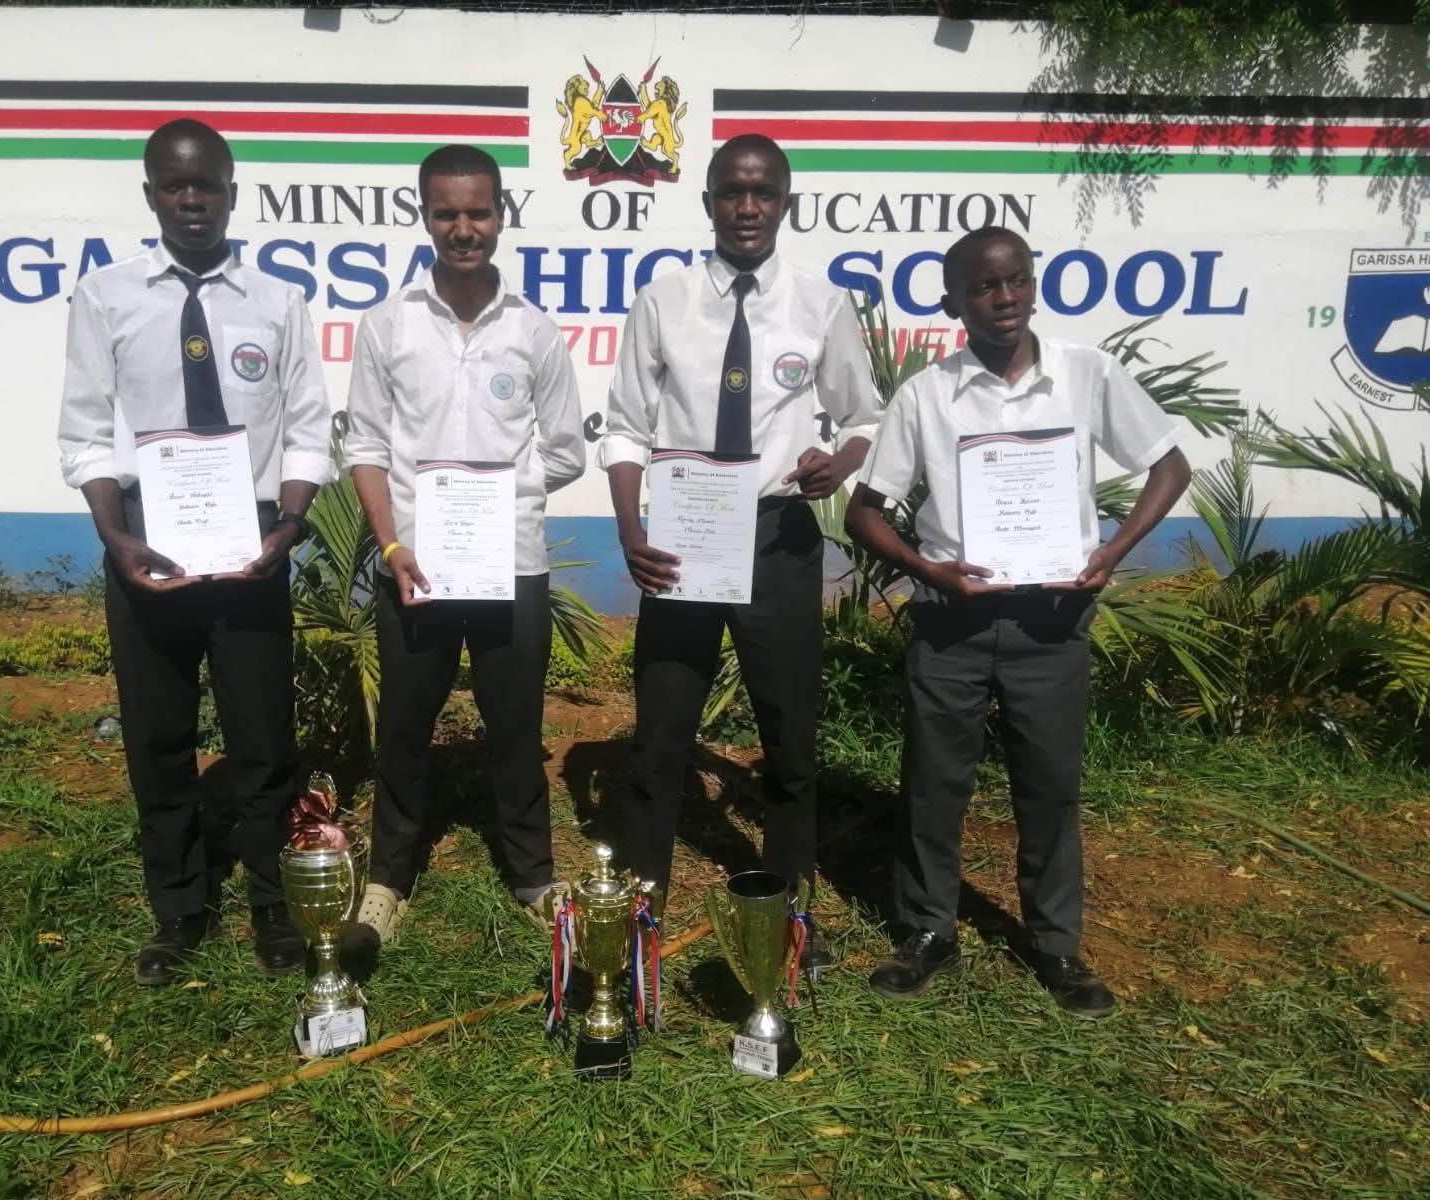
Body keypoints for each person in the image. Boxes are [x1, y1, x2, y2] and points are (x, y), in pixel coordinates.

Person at [844, 226, 1192, 1019]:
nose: (1002, 300)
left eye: (1015, 282)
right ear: (952, 302)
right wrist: (927, 569)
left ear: (1034, 285)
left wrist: (1112, 550)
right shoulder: (927, 395)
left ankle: (1055, 944)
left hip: (1053, 619)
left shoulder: (1087, 374)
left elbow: (1170, 465)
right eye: (982, 287)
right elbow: (866, 513)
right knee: (933, 784)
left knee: (1049, 787)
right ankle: (928, 930)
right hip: (951, 618)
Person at [58, 118, 332, 986]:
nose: (191, 200)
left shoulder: (277, 302)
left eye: (206, 184)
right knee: (159, 738)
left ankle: (273, 913)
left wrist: (287, 525)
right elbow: (87, 431)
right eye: (174, 186)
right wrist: (116, 536)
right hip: (147, 542)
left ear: (231, 191)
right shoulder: (106, 298)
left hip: (251, 541)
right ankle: (178, 913)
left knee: (262, 742)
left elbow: (305, 431)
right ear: (150, 195)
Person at [601, 134, 879, 966]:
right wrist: (630, 528)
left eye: (762, 193)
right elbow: (622, 426)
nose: (747, 207)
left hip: (777, 540)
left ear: (785, 203)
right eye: (731, 193)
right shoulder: (665, 300)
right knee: (659, 738)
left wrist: (844, 461)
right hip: (681, 542)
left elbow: (863, 416)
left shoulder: (820, 304)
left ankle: (788, 911)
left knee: (791, 739)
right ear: (710, 203)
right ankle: (641, 911)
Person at [343, 144, 586, 946]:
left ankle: (532, 876)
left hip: (510, 566)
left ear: (501, 213)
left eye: (477, 211)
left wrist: (500, 500)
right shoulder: (388, 324)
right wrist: (391, 543)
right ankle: (388, 878)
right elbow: (368, 448)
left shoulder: (534, 330)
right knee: (403, 730)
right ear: (424, 215)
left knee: (515, 728)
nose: (463, 228)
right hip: (414, 564)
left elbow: (565, 450)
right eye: (446, 212)